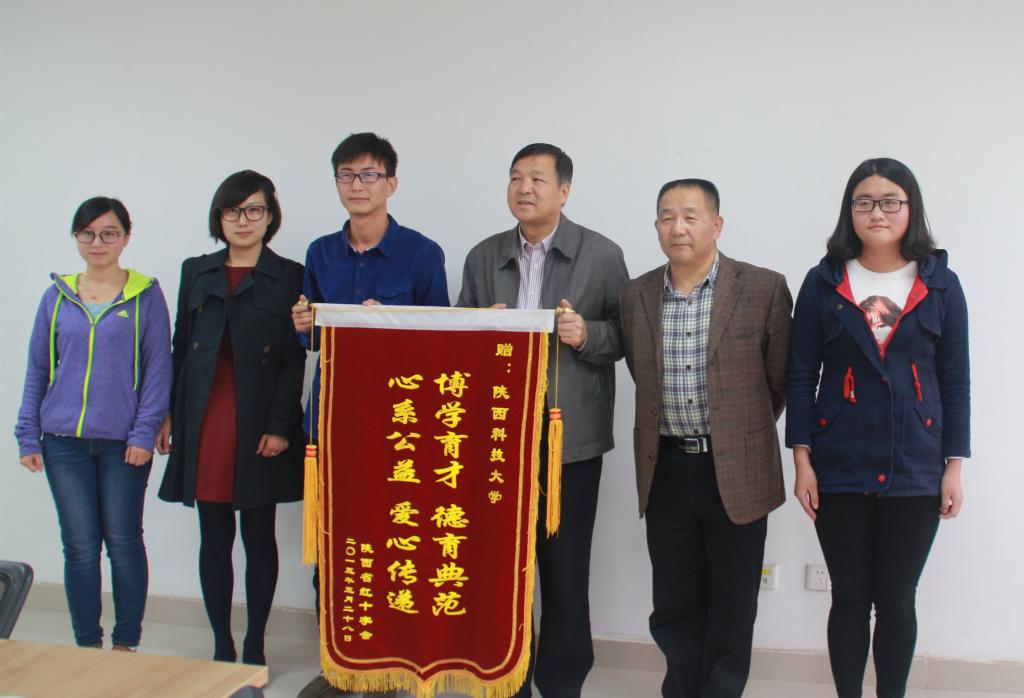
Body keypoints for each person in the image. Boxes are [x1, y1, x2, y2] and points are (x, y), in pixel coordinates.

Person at [786, 158, 970, 698]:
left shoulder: (941, 285)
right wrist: (802, 460)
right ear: (850, 211)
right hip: (838, 460)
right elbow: (802, 374)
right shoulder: (823, 282)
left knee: (896, 599)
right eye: (864, 202)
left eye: (891, 202)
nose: (877, 212)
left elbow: (955, 379)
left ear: (911, 209)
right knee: (848, 597)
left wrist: (954, 466)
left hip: (916, 462)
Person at [457, 143, 629, 698]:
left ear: (564, 191)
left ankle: (562, 684)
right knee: (500, 573)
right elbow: (456, 341)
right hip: (497, 441)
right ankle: (507, 679)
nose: (523, 188)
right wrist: (478, 327)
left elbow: (626, 338)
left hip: (567, 443)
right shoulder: (483, 257)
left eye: (536, 178)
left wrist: (587, 334)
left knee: (564, 572)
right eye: (515, 178)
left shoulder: (601, 254)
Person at [618, 179, 791, 698]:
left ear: (716, 225)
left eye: (691, 216)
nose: (678, 227)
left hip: (735, 466)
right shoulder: (635, 295)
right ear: (656, 226)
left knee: (733, 602)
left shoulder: (762, 288)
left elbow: (778, 380)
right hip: (666, 466)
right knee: (674, 601)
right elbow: (642, 373)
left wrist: (738, 433)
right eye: (667, 216)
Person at [292, 132, 449, 698]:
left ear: (391, 184)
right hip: (332, 423)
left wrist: (391, 327)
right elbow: (313, 341)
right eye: (346, 175)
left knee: (393, 544)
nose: (356, 185)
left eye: (368, 175)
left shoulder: (423, 254)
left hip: (397, 429)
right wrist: (305, 327)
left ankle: (392, 667)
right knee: (331, 548)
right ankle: (338, 665)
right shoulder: (319, 253)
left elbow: (441, 345)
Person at [157, 170, 305, 666]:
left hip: (258, 418)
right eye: (233, 211)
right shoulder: (195, 270)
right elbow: (180, 347)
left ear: (270, 216)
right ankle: (222, 645)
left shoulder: (290, 274)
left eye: (255, 210)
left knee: (259, 537)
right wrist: (169, 414)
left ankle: (256, 643)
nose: (244, 220)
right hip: (204, 416)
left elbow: (294, 357)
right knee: (214, 537)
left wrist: (280, 426)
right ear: (218, 217)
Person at [15, 197, 172, 651]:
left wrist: (143, 432)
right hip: (62, 442)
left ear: (126, 237)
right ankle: (87, 645)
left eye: (108, 233)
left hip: (125, 445)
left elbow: (158, 368)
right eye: (87, 233)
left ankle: (125, 644)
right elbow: (38, 369)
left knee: (123, 542)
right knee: (80, 546)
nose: (97, 242)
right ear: (76, 237)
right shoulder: (57, 295)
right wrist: (28, 435)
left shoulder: (145, 295)